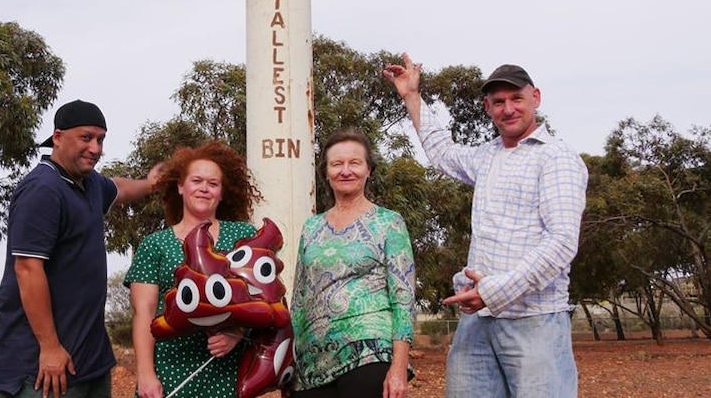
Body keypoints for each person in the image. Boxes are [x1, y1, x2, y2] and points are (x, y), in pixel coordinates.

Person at [383, 54, 588, 397]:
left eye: (516, 99)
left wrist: (493, 292)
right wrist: (411, 96)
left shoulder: (557, 158)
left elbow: (562, 242)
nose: (507, 109)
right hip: (477, 324)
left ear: (535, 97)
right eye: (498, 102)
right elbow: (442, 153)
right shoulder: (488, 155)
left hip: (534, 321)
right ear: (487, 107)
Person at [0, 99, 161, 398]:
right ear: (57, 137)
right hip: (43, 370)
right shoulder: (42, 190)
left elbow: (118, 188)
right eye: (86, 137)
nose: (95, 148)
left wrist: (149, 184)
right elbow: (27, 269)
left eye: (100, 139)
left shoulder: (90, 183)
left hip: (90, 362)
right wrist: (49, 348)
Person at [125, 140, 262, 398]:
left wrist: (237, 333)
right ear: (180, 187)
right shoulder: (155, 244)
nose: (204, 189)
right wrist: (145, 374)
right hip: (169, 371)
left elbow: (262, 299)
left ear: (222, 193)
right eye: (196, 181)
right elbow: (143, 312)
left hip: (227, 373)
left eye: (213, 184)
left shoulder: (243, 236)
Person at [289, 128, 416, 398]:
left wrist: (399, 367)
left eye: (354, 163)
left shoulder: (389, 222)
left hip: (370, 354)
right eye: (337, 164)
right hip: (312, 363)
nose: (346, 170)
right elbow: (299, 299)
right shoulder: (311, 227)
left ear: (368, 169)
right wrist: (289, 362)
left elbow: (403, 298)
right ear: (326, 172)